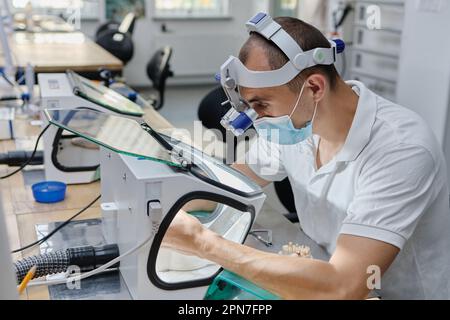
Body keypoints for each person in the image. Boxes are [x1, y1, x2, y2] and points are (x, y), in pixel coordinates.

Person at [164, 15, 450, 299]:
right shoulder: (298, 125)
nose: (258, 120)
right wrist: (167, 203)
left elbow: (345, 286)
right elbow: (232, 183)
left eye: (262, 105)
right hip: (322, 271)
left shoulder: (402, 150)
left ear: (314, 88)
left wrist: (203, 243)